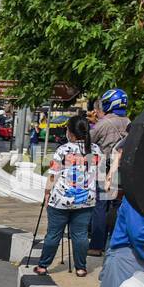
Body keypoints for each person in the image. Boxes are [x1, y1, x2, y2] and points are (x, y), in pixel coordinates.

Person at [34, 116, 102, 277]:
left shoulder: (62, 150)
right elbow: (99, 174)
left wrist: (47, 193)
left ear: (70, 132)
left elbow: (53, 175)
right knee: (81, 235)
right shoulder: (95, 150)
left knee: (53, 234)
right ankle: (81, 268)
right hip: (86, 200)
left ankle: (43, 266)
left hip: (60, 200)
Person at [88, 89, 130, 255]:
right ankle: (116, 244)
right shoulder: (129, 121)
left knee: (100, 207)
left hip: (105, 170)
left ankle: (97, 246)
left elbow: (87, 141)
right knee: (119, 208)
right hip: (123, 170)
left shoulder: (103, 124)